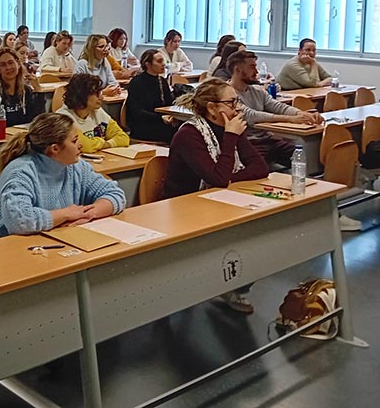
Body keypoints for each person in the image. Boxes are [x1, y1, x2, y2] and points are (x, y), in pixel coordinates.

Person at [165, 78, 268, 314]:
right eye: (232, 103)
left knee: (257, 232)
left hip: (216, 201)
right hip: (185, 208)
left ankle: (231, 284)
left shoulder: (230, 126)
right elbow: (218, 179)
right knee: (244, 234)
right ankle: (225, 283)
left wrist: (230, 176)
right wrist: (231, 140)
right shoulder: (189, 135)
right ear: (212, 108)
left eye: (237, 102)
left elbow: (259, 167)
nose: (238, 108)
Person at [0, 113, 126, 241]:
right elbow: (19, 221)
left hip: (54, 237)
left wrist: (90, 213)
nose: (80, 145)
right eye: (74, 141)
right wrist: (67, 214)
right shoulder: (20, 172)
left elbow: (115, 194)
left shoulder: (75, 166)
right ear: (55, 148)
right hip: (5, 246)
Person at [228, 50, 322, 167]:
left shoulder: (257, 90)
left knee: (301, 158)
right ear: (237, 70)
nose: (256, 71)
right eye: (252, 67)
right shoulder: (227, 94)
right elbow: (252, 116)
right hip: (247, 143)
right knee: (259, 168)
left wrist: (302, 114)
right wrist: (290, 119)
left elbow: (278, 106)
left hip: (268, 139)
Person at [57, 74, 129, 153]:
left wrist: (105, 144)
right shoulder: (64, 118)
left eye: (100, 93)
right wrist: (103, 141)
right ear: (82, 95)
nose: (101, 97)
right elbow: (85, 146)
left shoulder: (97, 111)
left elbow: (124, 138)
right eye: (96, 94)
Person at [0, 47, 45, 130]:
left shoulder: (26, 90)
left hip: (19, 137)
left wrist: (38, 90)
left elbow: (37, 121)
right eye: (3, 65)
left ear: (18, 64)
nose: (8, 67)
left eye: (11, 62)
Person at [126, 49, 176, 143]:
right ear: (148, 64)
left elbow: (169, 104)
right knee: (175, 134)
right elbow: (136, 111)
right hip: (143, 125)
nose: (163, 64)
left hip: (161, 121)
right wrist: (160, 118)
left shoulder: (162, 81)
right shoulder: (136, 82)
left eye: (163, 60)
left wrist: (172, 116)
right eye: (159, 61)